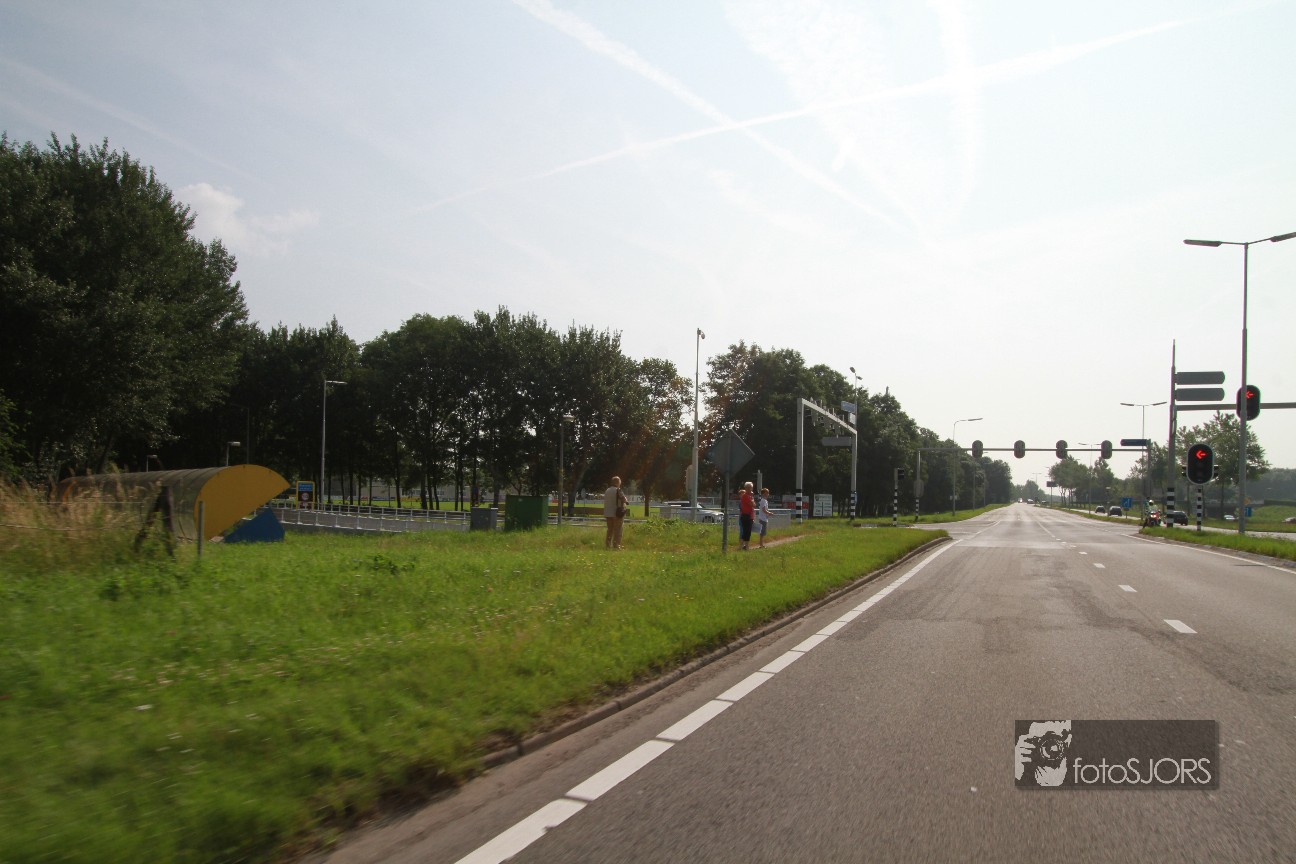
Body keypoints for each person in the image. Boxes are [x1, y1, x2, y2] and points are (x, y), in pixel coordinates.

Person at [603, 476, 628, 550]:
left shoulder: (607, 490)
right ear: (618, 482)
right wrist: (626, 500)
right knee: (618, 530)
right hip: (617, 513)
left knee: (610, 530)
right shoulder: (618, 490)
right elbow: (624, 500)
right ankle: (616, 545)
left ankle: (608, 545)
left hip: (608, 513)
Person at [738, 481, 755, 550]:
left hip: (750, 516)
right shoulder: (745, 496)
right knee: (746, 531)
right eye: (748, 487)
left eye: (750, 487)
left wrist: (752, 498)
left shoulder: (749, 496)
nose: (749, 489)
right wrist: (752, 499)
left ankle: (744, 546)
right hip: (746, 516)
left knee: (747, 531)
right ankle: (745, 546)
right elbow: (752, 504)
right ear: (745, 488)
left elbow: (754, 505)